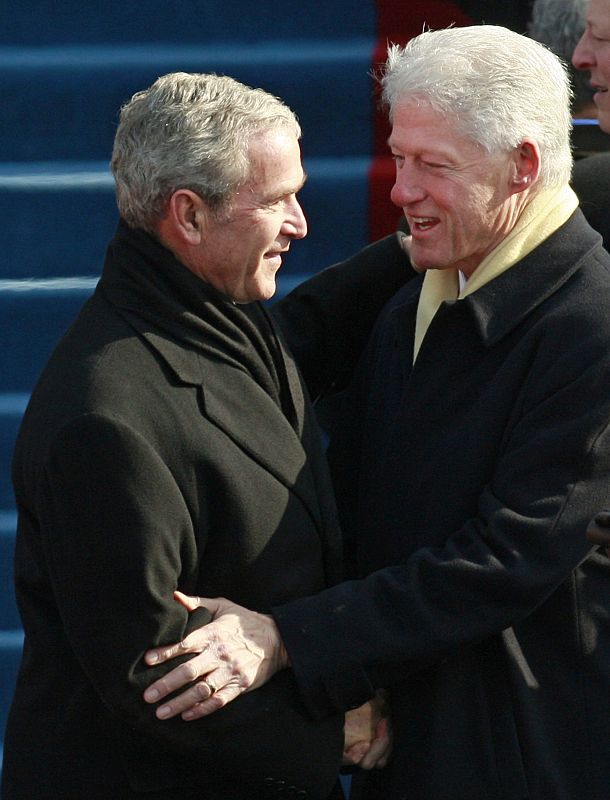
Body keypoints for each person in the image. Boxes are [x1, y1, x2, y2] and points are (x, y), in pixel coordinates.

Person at [141, 27, 610, 800]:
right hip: (415, 747)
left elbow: (504, 560)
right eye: (401, 159)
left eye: (434, 165)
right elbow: (358, 500)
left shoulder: (590, 330)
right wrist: (346, 677)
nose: (401, 191)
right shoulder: (414, 301)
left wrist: (293, 638)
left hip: (527, 757)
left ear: (522, 166)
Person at [1, 72, 413, 800]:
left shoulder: (210, 308)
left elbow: (295, 338)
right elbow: (154, 676)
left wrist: (429, 236)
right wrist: (332, 731)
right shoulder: (104, 421)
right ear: (188, 216)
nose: (301, 224)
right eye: (278, 200)